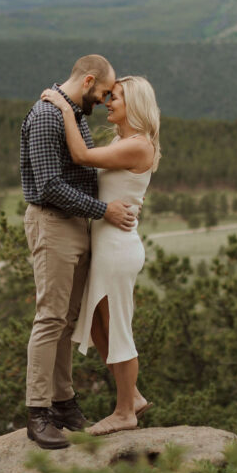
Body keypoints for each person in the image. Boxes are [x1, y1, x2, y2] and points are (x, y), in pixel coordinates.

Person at [19, 54, 137, 450]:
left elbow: (84, 167)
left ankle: (64, 401)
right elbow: (50, 185)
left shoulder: (69, 113)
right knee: (50, 317)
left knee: (68, 319)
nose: (105, 100)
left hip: (75, 225)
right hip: (53, 223)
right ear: (88, 81)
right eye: (104, 92)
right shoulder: (47, 115)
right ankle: (38, 413)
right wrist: (104, 209)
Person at [41, 75, 160, 436]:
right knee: (95, 323)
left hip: (118, 248)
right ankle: (133, 395)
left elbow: (81, 155)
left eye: (116, 97)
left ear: (135, 104)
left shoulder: (139, 145)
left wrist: (64, 106)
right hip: (108, 245)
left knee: (118, 328)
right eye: (108, 96)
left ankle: (125, 411)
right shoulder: (124, 141)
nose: (109, 102)